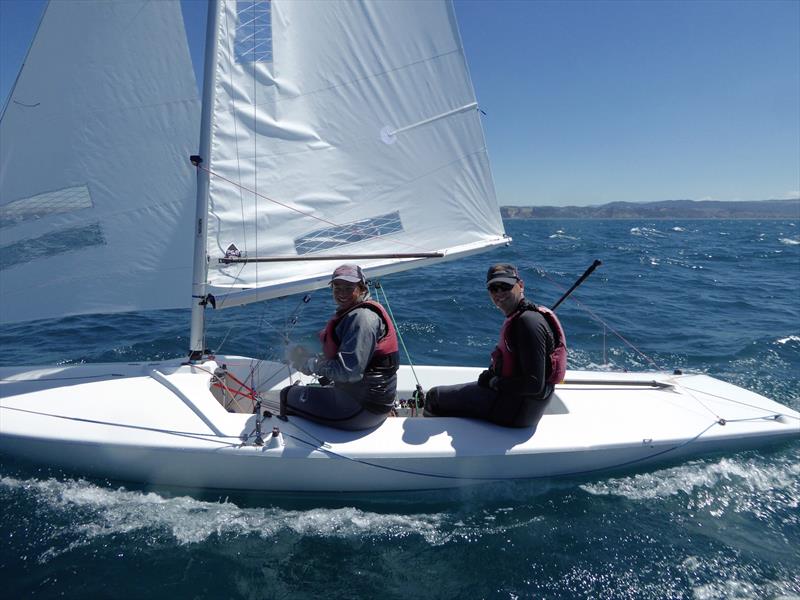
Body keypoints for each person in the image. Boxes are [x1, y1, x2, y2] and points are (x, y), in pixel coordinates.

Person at [423, 264, 567, 428]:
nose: (499, 293)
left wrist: (495, 382)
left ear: (520, 285)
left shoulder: (528, 322)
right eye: (493, 288)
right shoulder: (523, 316)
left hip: (515, 410)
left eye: (505, 286)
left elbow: (534, 385)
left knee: (434, 397)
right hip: (520, 405)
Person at [280, 264, 399, 430]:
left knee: (287, 395)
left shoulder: (362, 319)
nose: (342, 293)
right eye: (337, 288)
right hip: (372, 402)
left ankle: (293, 448)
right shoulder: (354, 312)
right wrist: (314, 359)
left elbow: (348, 372)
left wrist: (312, 364)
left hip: (361, 409)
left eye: (349, 288)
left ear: (362, 288)